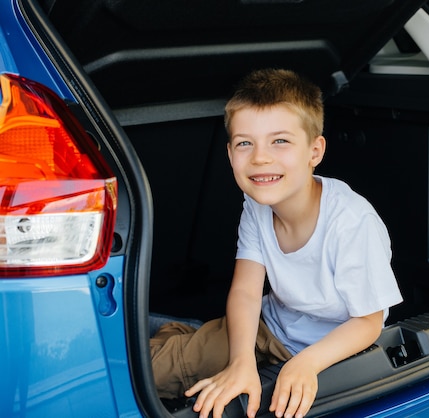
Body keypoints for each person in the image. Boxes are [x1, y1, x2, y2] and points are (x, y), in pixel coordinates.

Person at [150, 68, 403, 418]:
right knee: (149, 373)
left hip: (333, 350)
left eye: (280, 141)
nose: (260, 157)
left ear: (315, 151)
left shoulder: (351, 222)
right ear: (229, 154)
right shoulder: (258, 204)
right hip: (267, 328)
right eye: (244, 143)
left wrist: (305, 364)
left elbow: (368, 322)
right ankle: (177, 338)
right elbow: (246, 292)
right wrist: (240, 363)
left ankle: (180, 333)